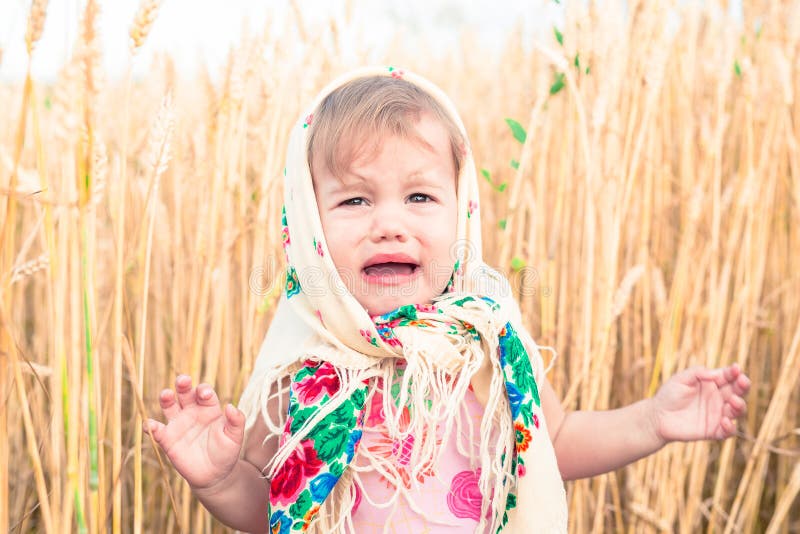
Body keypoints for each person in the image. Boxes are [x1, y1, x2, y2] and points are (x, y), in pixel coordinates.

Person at [145, 67, 751, 533]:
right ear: (308, 225)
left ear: (461, 211)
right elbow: (270, 509)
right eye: (354, 201)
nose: (388, 224)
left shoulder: (485, 344)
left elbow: (553, 444)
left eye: (419, 198)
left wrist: (652, 421)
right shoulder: (302, 368)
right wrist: (221, 479)